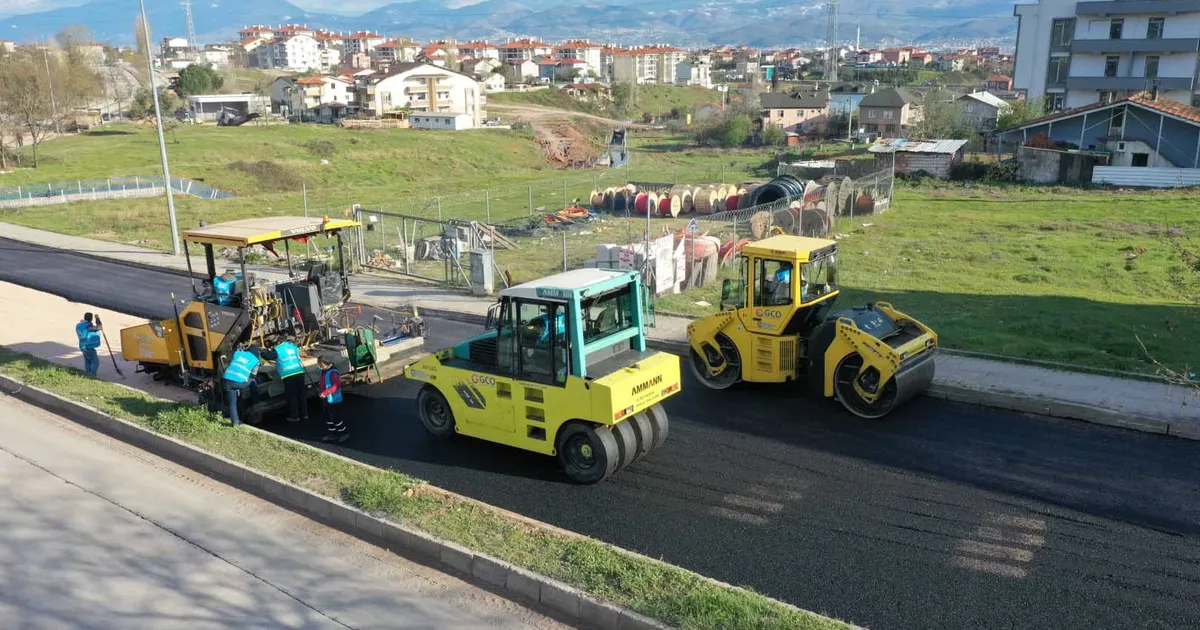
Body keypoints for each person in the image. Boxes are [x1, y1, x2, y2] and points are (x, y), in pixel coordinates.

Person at [262, 338, 308, 423]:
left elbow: (268, 356)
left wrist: (263, 351)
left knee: (292, 396)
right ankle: (305, 414)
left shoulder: (278, 349)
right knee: (301, 395)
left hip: (288, 375)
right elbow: (299, 354)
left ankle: (295, 416)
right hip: (299, 372)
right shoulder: (292, 347)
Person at [222, 346, 261, 427]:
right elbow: (253, 376)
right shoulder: (256, 361)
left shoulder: (238, 353)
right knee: (253, 381)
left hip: (226, 379)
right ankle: (256, 402)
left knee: (232, 403)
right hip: (238, 382)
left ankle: (235, 423)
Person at [317, 356, 348, 443]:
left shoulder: (333, 372)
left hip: (334, 399)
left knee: (335, 418)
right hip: (326, 399)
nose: (318, 365)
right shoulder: (323, 371)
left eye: (319, 363)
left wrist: (325, 393)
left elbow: (336, 386)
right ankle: (333, 433)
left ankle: (344, 433)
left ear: (324, 363)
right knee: (328, 418)